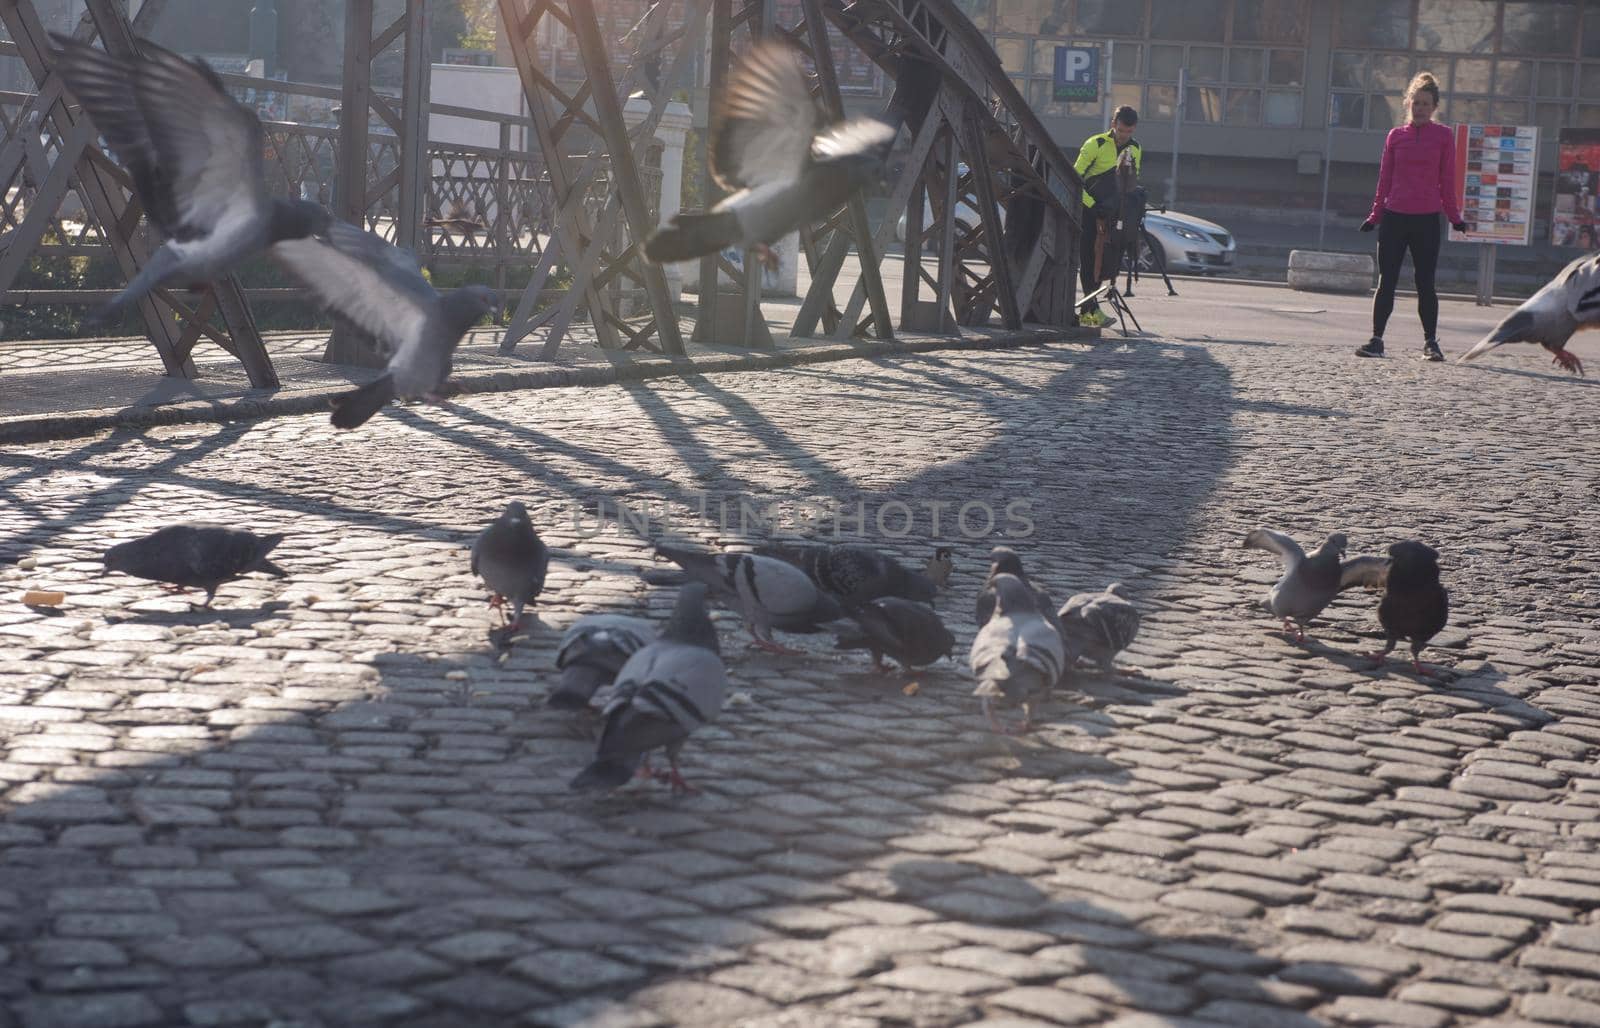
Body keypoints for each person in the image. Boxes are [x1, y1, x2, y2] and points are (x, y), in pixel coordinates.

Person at [1355, 72, 1466, 362]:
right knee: (1386, 281)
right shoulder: (1396, 136)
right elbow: (1385, 179)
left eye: (1426, 104)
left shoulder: (1443, 136)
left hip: (1426, 220)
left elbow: (1447, 179)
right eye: (1416, 103)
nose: (1420, 108)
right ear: (1408, 104)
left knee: (1425, 283)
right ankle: (1376, 340)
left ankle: (1431, 343)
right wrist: (1375, 215)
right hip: (1395, 218)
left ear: (1434, 107)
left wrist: (1454, 216)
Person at [1074, 106, 1141, 327]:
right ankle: (1090, 310)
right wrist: (1093, 206)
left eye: (1129, 132)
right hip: (1090, 211)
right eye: (1121, 130)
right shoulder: (1096, 144)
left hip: (1113, 214)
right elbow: (1074, 180)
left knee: (1107, 261)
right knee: (1090, 260)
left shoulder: (1135, 148)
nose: (1124, 136)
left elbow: (1130, 183)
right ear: (1113, 124)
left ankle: (1089, 310)